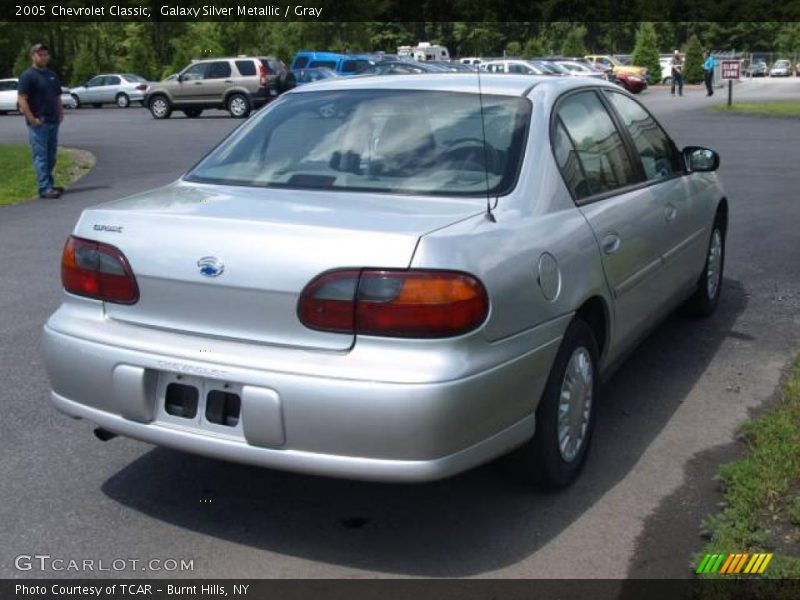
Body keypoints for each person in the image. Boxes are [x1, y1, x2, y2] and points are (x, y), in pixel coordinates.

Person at [17, 43, 64, 199]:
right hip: (39, 122)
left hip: (53, 120)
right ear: (33, 56)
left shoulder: (52, 75)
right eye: (40, 54)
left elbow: (57, 96)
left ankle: (49, 183)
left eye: (45, 54)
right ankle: (44, 188)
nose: (43, 57)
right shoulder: (28, 75)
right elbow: (22, 99)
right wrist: (31, 118)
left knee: (51, 156)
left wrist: (60, 112)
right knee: (41, 156)